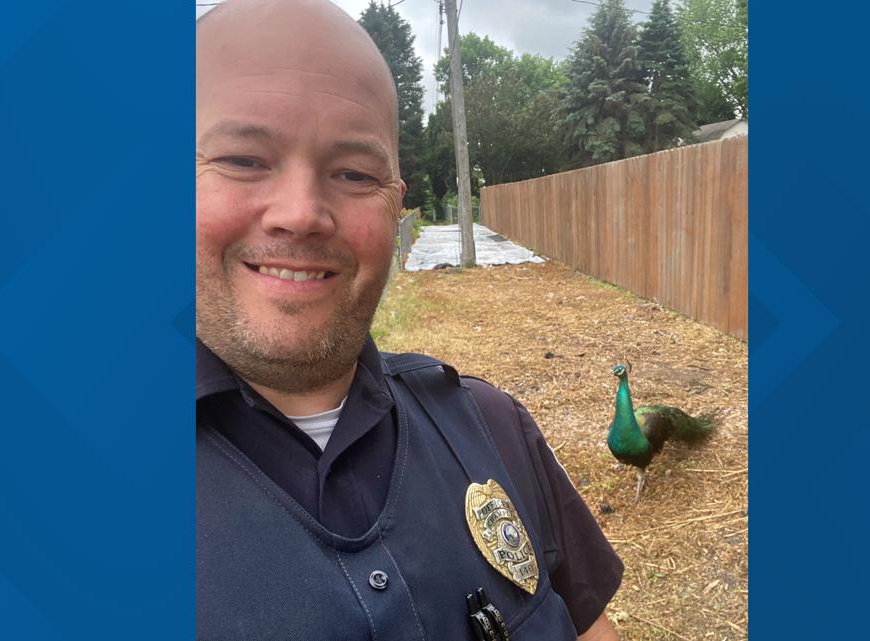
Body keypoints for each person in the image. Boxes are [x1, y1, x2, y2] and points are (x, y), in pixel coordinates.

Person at [195, 0, 623, 638]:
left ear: (396, 206)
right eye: (244, 160)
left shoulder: (492, 427)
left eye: (353, 172)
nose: (302, 212)